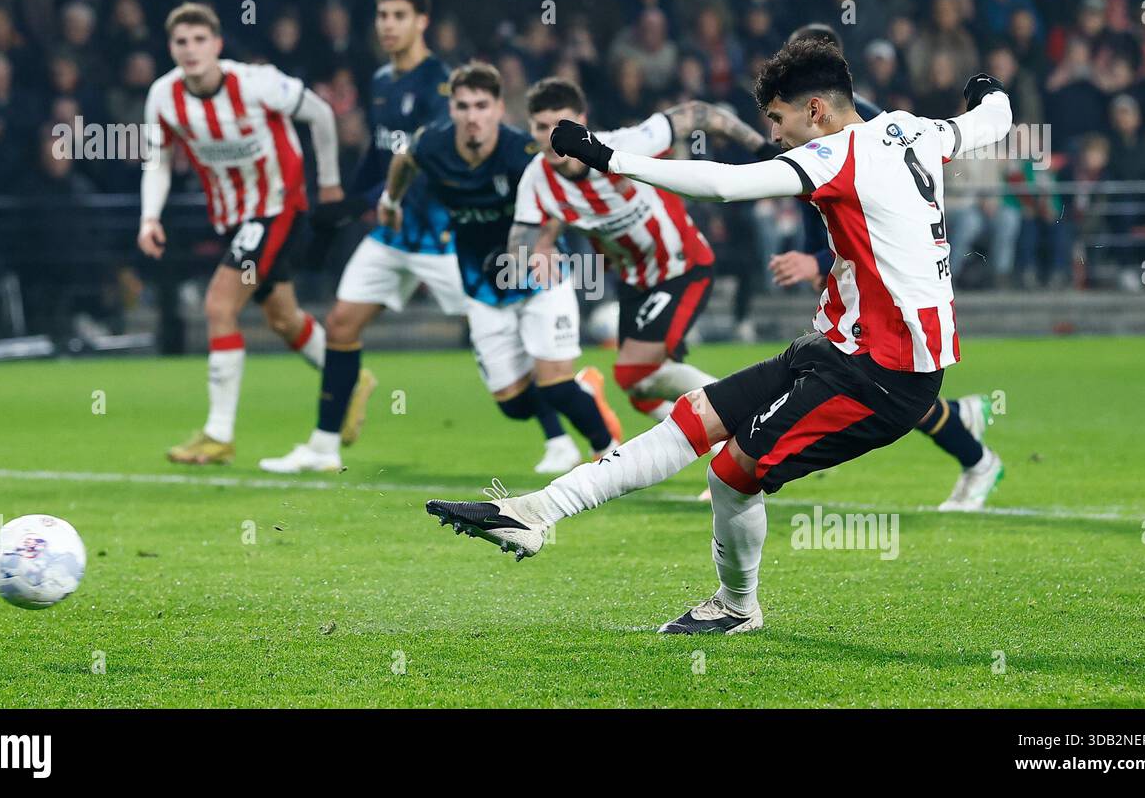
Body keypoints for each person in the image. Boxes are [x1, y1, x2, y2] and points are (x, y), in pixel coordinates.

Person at [425, 40, 1012, 633]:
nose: (776, 136)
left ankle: (736, 607)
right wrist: (987, 91)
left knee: (731, 473)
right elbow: (995, 119)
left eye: (779, 120)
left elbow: (723, 185)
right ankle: (535, 512)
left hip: (883, 375)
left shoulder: (838, 154)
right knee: (690, 418)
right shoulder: (913, 130)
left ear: (815, 111)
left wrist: (609, 157)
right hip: (839, 348)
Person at [766, 24, 1004, 511]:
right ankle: (963, 429)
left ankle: (977, 457)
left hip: (870, 271)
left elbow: (886, 216)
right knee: (853, 377)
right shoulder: (790, 118)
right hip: (843, 264)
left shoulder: (871, 125)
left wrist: (815, 261)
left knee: (870, 380)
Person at [260, 0, 466, 474]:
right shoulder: (380, 82)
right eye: (382, 15)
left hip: (440, 235)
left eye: (399, 15)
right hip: (391, 237)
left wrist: (370, 199)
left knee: (499, 336)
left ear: (422, 22)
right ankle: (324, 445)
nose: (388, 25)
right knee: (341, 324)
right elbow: (381, 157)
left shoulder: (443, 84)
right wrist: (348, 203)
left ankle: (572, 427)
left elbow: (428, 161)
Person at [386, 62, 623, 471]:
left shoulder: (523, 153)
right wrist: (389, 202)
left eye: (481, 105)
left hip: (539, 278)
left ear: (499, 108)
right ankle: (582, 390)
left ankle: (610, 452)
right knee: (513, 404)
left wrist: (546, 240)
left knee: (555, 383)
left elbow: (565, 190)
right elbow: (403, 160)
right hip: (481, 286)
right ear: (452, 109)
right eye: (463, 106)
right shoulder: (433, 145)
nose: (472, 116)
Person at [138, 2, 340, 464]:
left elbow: (322, 114)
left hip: (277, 208)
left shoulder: (257, 83)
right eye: (181, 42)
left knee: (218, 304)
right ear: (171, 48)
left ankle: (218, 434)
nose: (190, 51)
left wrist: (329, 184)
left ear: (217, 44)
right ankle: (347, 376)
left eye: (199, 40)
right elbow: (158, 160)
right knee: (284, 318)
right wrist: (150, 217)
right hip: (234, 218)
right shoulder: (163, 96)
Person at [513, 77, 766, 427]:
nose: (552, 136)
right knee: (640, 392)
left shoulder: (627, 144)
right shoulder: (535, 180)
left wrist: (761, 149)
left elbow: (701, 114)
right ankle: (719, 435)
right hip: (634, 282)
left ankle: (746, 416)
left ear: (582, 120)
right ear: (530, 129)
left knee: (634, 372)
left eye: (561, 125)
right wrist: (533, 254)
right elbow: (522, 244)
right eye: (541, 127)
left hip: (681, 267)